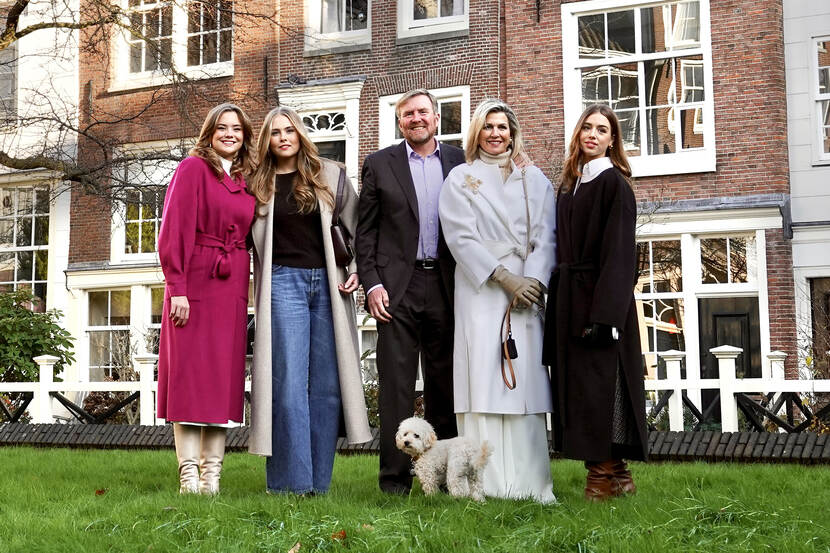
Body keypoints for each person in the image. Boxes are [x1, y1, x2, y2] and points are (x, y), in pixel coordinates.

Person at [246, 106, 372, 495]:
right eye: (275, 133)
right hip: (283, 282)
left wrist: (357, 271)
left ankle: (319, 483)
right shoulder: (256, 183)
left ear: (300, 134)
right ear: (266, 141)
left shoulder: (330, 175)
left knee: (328, 386)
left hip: (330, 284)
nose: (283, 138)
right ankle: (291, 484)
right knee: (288, 384)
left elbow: (358, 229)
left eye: (289, 130)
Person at [438, 98, 557, 503]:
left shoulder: (534, 179)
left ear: (512, 132)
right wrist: (504, 278)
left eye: (502, 126)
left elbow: (546, 236)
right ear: (477, 132)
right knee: (484, 378)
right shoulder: (460, 178)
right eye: (488, 126)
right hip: (482, 290)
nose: (495, 133)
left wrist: (532, 282)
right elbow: (460, 237)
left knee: (523, 380)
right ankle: (484, 484)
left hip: (526, 294)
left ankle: (530, 484)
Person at [355, 89, 465, 495]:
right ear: (399, 122)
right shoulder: (379, 164)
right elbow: (365, 232)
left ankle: (446, 479)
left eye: (422, 112)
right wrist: (372, 283)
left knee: (445, 385)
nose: (416, 119)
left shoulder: (460, 162)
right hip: (396, 289)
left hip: (447, 285)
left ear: (436, 118)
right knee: (396, 388)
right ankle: (394, 482)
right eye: (407, 114)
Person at [542, 103, 648, 502]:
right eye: (587, 127)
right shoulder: (570, 185)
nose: (593, 134)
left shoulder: (614, 184)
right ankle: (618, 474)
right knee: (578, 390)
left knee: (600, 389)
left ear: (612, 140)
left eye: (602, 130)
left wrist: (605, 316)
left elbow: (620, 254)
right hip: (568, 299)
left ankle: (600, 476)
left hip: (601, 302)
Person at [156, 103, 256, 495]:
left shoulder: (246, 179)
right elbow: (173, 230)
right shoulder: (193, 168)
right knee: (190, 379)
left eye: (237, 129)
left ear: (245, 136)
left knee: (220, 382)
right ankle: (188, 476)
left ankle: (212, 477)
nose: (230, 134)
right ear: (210, 133)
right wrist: (177, 288)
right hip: (195, 281)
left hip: (231, 286)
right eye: (222, 128)